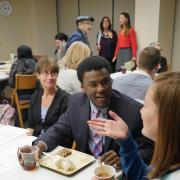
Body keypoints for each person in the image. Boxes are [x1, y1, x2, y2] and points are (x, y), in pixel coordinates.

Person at [18, 56, 153, 171]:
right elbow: (60, 128)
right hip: (83, 171)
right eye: (93, 85)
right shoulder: (75, 102)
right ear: (83, 87)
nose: (101, 89)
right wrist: (40, 146)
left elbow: (148, 151)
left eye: (105, 82)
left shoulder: (132, 110)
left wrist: (124, 158)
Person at [88, 72, 180, 179]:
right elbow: (143, 176)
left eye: (146, 105)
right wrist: (126, 141)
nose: (141, 110)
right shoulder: (170, 162)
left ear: (165, 117)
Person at [28, 57, 69, 137]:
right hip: (35, 141)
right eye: (46, 73)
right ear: (38, 75)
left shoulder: (65, 99)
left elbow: (63, 131)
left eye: (53, 73)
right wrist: (27, 141)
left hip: (55, 143)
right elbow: (31, 126)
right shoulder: (34, 97)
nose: (50, 77)